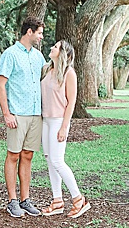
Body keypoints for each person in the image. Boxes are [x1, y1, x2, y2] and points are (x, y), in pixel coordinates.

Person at [0, 16, 46, 218]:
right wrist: (7, 114)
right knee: (13, 155)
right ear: (30, 32)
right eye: (40, 33)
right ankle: (12, 200)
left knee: (28, 156)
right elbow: (0, 85)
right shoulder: (10, 54)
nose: (41, 37)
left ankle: (25, 200)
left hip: (36, 114)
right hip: (17, 113)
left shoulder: (38, 57)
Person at [39, 40, 91, 218]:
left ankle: (79, 199)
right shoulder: (47, 70)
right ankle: (57, 201)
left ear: (63, 53)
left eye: (56, 47)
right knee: (49, 160)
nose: (52, 48)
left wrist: (64, 127)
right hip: (45, 120)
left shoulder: (70, 73)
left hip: (59, 121)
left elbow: (71, 102)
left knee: (58, 161)